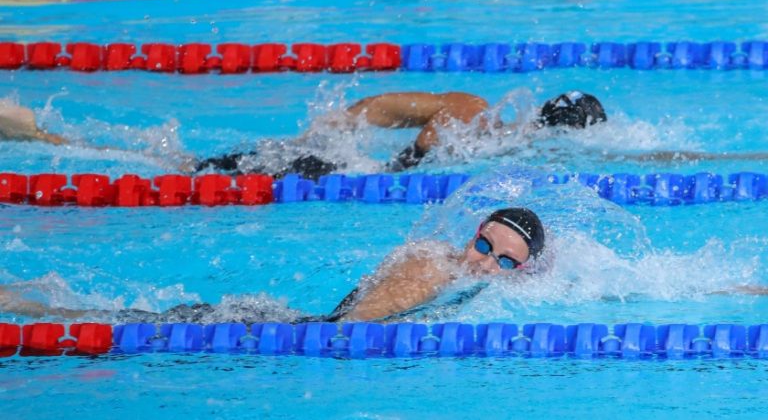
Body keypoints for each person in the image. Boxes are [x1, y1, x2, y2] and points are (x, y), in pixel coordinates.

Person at [0, 207, 546, 323]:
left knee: (128, 318)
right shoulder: (429, 267)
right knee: (111, 323)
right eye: (483, 246)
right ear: (468, 237)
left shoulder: (449, 269)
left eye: (503, 261)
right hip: (273, 331)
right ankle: (21, 306)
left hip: (277, 321)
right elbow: (349, 332)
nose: (485, 264)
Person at [0, 91, 607, 179]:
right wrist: (332, 131)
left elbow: (383, 104)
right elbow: (406, 124)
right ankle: (40, 140)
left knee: (189, 164)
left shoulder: (479, 121)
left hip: (329, 160)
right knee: (186, 171)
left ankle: (44, 138)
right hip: (321, 161)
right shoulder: (473, 117)